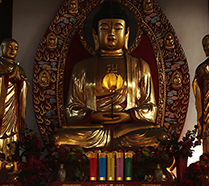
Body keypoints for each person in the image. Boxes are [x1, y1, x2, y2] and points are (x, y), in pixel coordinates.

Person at [55, 1, 165, 148]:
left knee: (162, 137)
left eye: (118, 28)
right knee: (58, 138)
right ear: (95, 34)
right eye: (105, 28)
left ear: (126, 34)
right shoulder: (82, 67)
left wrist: (128, 116)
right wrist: (93, 116)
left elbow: (151, 109)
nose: (111, 33)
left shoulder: (140, 66)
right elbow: (71, 109)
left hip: (127, 130)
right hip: (94, 131)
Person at [0, 38, 29, 160]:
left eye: (15, 48)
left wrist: (20, 81)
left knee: (14, 132)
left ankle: (12, 157)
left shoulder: (20, 69)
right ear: (2, 48)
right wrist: (8, 77)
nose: (12, 50)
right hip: (0, 108)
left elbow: (25, 87)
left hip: (13, 109)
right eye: (9, 47)